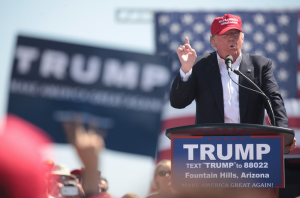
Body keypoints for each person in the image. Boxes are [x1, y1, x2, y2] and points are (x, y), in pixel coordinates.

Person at [170, 13, 296, 198]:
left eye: (236, 34)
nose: (232, 38)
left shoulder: (260, 66)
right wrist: (186, 69)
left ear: (243, 38)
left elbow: (273, 100)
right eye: (225, 34)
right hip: (211, 156)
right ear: (213, 42)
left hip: (253, 155)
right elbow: (178, 102)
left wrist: (282, 132)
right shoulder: (199, 66)